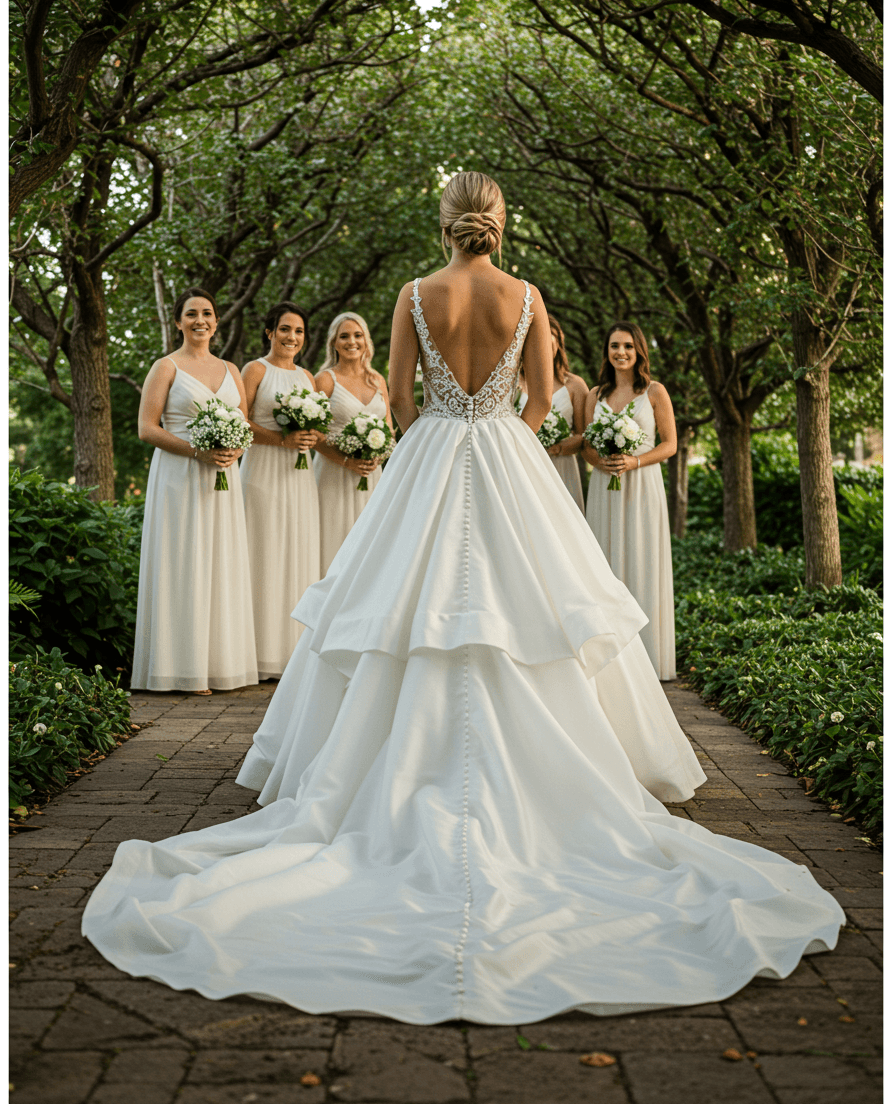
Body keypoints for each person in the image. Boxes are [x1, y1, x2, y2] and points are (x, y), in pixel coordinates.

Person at [83, 174, 842, 1025]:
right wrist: (503, 439)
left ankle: (375, 768)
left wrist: (438, 439)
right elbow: (547, 397)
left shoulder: (415, 294)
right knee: (539, 608)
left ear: (441, 224)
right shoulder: (528, 296)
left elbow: (400, 399)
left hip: (436, 452)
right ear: (500, 226)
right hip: (510, 455)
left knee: (398, 609)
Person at [130, 288, 258, 694]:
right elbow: (147, 428)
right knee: (183, 563)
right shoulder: (165, 367)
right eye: (191, 314)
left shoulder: (231, 369)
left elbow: (245, 422)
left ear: (217, 321)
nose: (200, 320)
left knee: (220, 562)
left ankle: (219, 665)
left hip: (223, 480)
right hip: (179, 477)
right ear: (178, 322)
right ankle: (179, 668)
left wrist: (235, 447)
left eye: (207, 313)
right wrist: (196, 452)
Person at [583, 322, 677, 680]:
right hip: (604, 487)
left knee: (642, 560)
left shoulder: (654, 392)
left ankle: (648, 660)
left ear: (639, 351)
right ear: (606, 351)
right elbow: (588, 446)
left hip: (642, 486)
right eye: (614, 346)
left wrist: (635, 460)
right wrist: (599, 461)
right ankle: (610, 663)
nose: (620, 352)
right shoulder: (595, 394)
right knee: (604, 564)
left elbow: (670, 444)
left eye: (627, 346)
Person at [240, 303, 322, 680]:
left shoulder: (308, 376)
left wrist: (311, 435)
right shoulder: (255, 370)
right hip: (263, 471)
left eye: (299, 331)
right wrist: (281, 440)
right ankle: (257, 655)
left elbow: (321, 428)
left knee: (297, 553)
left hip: (300, 477)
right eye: (285, 329)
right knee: (264, 552)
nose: (292, 337)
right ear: (270, 331)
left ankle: (293, 654)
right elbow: (239, 422)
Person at [312, 312, 391, 573]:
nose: (351, 341)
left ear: (366, 341)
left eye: (357, 335)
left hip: (371, 475)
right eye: (344, 336)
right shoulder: (324, 380)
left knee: (371, 547)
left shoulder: (377, 380)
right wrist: (347, 460)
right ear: (334, 343)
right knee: (335, 543)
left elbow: (389, 428)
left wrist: (374, 458)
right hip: (334, 474)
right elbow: (313, 434)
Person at [518, 313, 588, 511]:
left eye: (549, 339)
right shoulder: (513, 384)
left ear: (558, 345)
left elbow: (583, 436)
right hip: (524, 467)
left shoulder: (575, 385)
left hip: (562, 468)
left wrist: (556, 448)